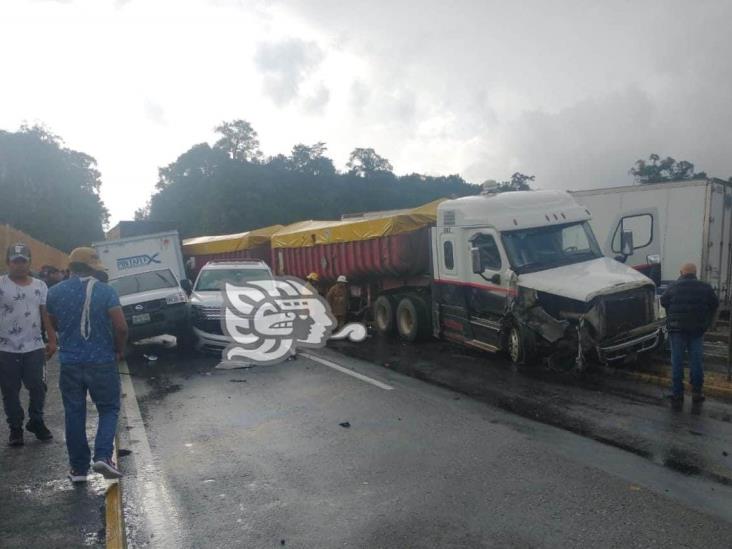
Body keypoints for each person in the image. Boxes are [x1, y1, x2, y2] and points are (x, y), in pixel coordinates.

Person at [47, 247, 128, 482]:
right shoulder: (106, 292)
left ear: (71, 267)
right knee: (109, 408)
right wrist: (119, 348)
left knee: (74, 413)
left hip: (70, 362)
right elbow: (121, 327)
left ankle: (78, 469)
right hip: (101, 361)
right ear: (93, 267)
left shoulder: (54, 293)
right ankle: (103, 455)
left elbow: (51, 323)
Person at [0, 243, 57, 446]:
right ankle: (15, 428)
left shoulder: (40, 286)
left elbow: (46, 316)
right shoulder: (1, 285)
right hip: (5, 349)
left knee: (38, 386)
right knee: (10, 390)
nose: (19, 265)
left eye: (23, 261)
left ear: (29, 262)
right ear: (8, 262)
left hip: (34, 346)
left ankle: (36, 420)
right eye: (15, 261)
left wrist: (52, 339)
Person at [660, 262, 719, 404]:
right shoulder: (705, 287)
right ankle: (697, 393)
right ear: (695, 273)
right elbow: (715, 304)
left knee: (677, 361)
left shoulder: (673, 286)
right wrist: (707, 323)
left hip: (676, 329)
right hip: (697, 330)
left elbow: (663, 301)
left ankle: (677, 394)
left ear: (681, 273)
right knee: (696, 361)